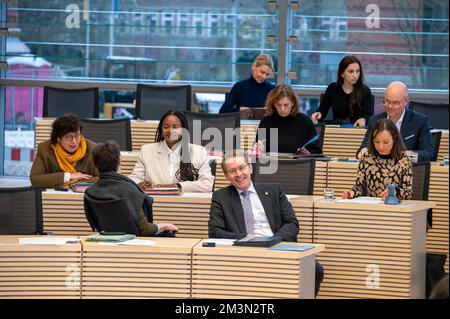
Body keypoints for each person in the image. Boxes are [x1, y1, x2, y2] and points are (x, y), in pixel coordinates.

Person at [208, 149, 324, 296]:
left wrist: (273, 241)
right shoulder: (220, 197)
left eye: (242, 168)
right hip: (243, 251)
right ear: (226, 176)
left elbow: (292, 223)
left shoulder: (274, 190)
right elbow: (215, 231)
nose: (238, 174)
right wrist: (247, 238)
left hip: (278, 247)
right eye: (232, 171)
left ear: (250, 167)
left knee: (315, 270)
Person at [84, 141, 178, 236]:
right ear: (119, 161)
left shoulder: (90, 192)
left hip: (106, 242)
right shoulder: (128, 189)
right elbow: (145, 230)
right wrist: (165, 226)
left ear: (95, 165)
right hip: (135, 243)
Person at [128, 110, 214, 192]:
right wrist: (139, 183)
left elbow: (207, 184)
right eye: (166, 127)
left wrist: (179, 186)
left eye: (175, 127)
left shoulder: (199, 151)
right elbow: (134, 177)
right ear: (161, 129)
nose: (170, 131)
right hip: (154, 201)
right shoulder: (147, 150)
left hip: (186, 204)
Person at [357, 81, 434, 162]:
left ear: (405, 101)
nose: (390, 106)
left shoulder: (419, 121)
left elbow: (428, 154)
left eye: (395, 103)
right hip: (379, 169)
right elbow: (363, 148)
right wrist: (363, 152)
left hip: (408, 171)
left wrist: (404, 156)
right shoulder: (375, 121)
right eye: (387, 101)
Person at [342, 118, 413, 200]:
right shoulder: (367, 157)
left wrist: (396, 191)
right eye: (376, 141)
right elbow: (359, 187)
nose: (380, 147)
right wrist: (352, 193)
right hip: (372, 207)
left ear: (394, 138)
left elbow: (408, 193)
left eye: (386, 142)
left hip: (394, 207)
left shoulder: (403, 160)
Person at [30, 113, 99, 188]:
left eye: (77, 136)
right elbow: (35, 179)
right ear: (58, 138)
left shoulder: (93, 149)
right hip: (54, 197)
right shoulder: (44, 149)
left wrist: (75, 182)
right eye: (68, 137)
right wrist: (68, 176)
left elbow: (104, 179)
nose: (74, 142)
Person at [255, 84, 322, 155]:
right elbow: (259, 151)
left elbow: (317, 151)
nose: (282, 109)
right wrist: (257, 150)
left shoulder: (305, 122)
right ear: (273, 104)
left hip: (299, 164)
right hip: (272, 164)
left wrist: (308, 153)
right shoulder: (266, 122)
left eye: (286, 105)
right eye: (278, 105)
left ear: (293, 103)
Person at [311, 55, 372, 128]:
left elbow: (368, 116)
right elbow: (322, 110)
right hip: (337, 128)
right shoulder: (332, 88)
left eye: (357, 71)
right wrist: (318, 114)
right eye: (350, 71)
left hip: (357, 129)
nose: (355, 75)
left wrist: (363, 120)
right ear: (342, 74)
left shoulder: (365, 91)